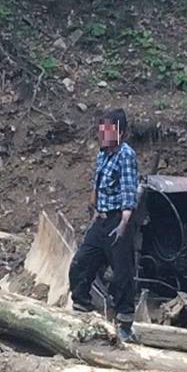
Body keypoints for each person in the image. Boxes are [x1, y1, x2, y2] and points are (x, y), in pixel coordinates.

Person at [68, 108, 140, 342]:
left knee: (121, 274)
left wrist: (123, 224)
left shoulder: (125, 155)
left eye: (108, 129)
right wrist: (94, 208)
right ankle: (82, 309)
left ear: (120, 132)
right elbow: (96, 184)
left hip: (119, 219)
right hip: (101, 218)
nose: (103, 134)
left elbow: (129, 192)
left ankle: (125, 324)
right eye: (102, 129)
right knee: (81, 263)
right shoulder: (102, 154)